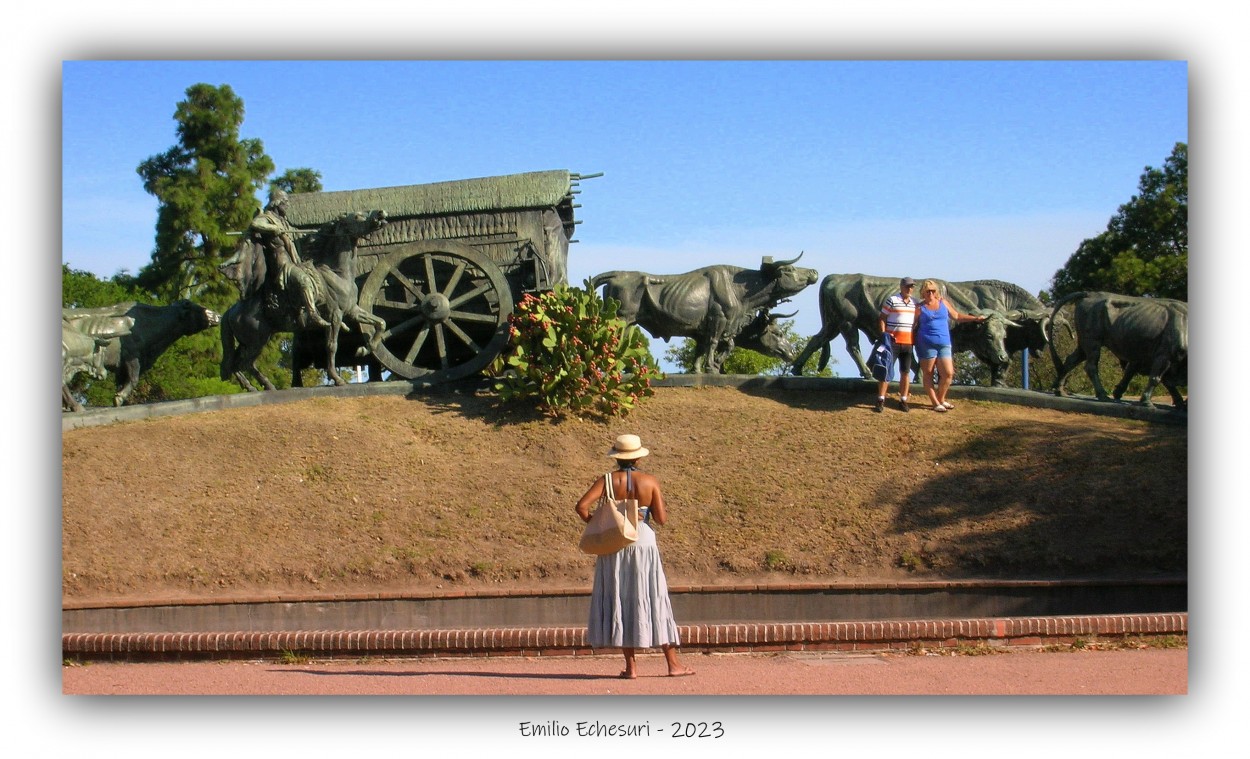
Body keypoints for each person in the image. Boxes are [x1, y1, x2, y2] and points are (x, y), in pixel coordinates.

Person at [575, 434, 695, 679]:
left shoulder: (606, 480)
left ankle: (631, 668)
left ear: (617, 457)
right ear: (639, 456)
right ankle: (673, 664)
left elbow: (581, 506)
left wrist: (601, 523)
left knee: (621, 597)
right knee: (653, 596)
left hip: (615, 540)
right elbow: (661, 519)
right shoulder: (650, 481)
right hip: (643, 540)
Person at [248, 189, 330, 328]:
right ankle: (312, 314)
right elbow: (255, 224)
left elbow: (295, 236)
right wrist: (271, 228)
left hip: (293, 260)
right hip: (281, 263)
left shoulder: (284, 221)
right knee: (304, 280)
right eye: (285, 202)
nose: (288, 205)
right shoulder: (268, 217)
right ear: (277, 203)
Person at [915, 280, 986, 412]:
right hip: (926, 343)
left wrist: (975, 318)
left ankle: (941, 398)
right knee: (928, 373)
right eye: (928, 291)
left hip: (944, 343)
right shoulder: (919, 308)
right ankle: (935, 402)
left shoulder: (943, 303)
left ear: (936, 292)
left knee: (948, 373)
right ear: (923, 293)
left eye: (933, 291)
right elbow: (913, 324)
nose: (930, 293)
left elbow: (957, 316)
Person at [875, 276, 919, 412]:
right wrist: (884, 335)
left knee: (905, 372)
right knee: (886, 370)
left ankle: (903, 400)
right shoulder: (892, 300)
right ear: (901, 287)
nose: (909, 289)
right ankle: (880, 399)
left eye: (911, 287)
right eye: (907, 286)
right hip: (893, 342)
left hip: (908, 342)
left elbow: (916, 321)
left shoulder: (915, 303)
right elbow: (882, 318)